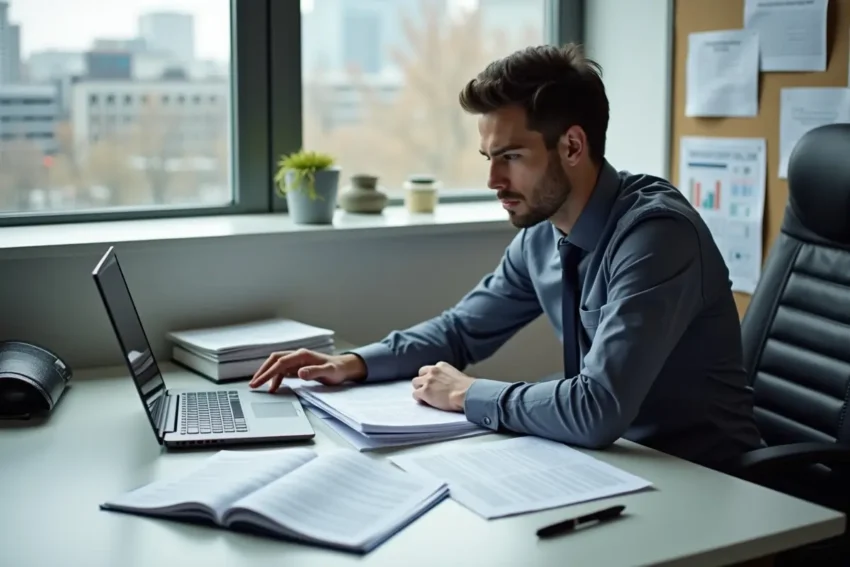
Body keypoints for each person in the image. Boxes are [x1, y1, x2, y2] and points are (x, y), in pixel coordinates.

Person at [250, 43, 763, 471]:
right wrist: (354, 363)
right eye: (488, 159)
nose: (493, 181)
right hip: (618, 464)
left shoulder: (656, 236)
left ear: (573, 146)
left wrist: (466, 393)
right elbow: (459, 331)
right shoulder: (542, 233)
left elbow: (597, 407)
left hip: (710, 478)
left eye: (511, 157)